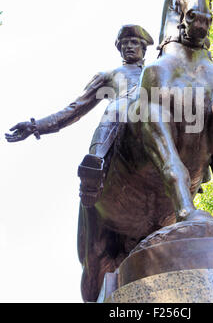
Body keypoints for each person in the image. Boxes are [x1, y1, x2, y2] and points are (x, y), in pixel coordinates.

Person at [5, 24, 154, 206]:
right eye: (124, 43)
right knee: (117, 107)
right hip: (120, 118)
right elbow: (76, 108)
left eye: (134, 42)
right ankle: (95, 164)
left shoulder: (158, 72)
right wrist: (36, 126)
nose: (129, 46)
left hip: (153, 120)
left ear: (143, 48)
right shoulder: (108, 75)